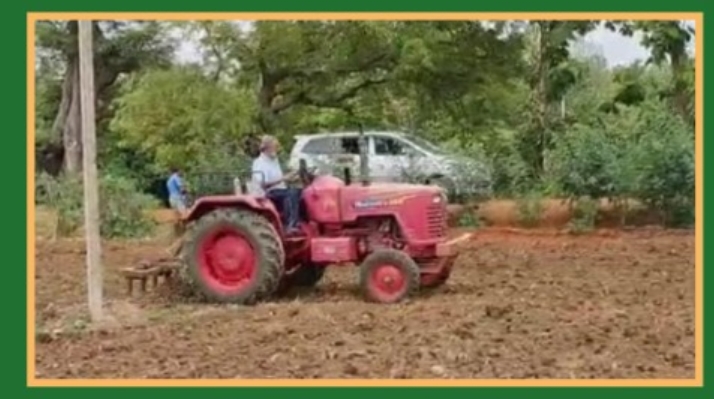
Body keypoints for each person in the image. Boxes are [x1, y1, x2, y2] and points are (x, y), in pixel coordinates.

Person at [252, 135, 302, 233]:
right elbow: (264, 184)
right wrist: (283, 178)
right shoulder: (259, 163)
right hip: (267, 193)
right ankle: (291, 225)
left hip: (279, 190)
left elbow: (279, 179)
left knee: (300, 191)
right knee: (290, 193)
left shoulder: (274, 160)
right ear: (267, 148)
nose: (277, 150)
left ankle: (301, 222)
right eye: (274, 147)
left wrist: (292, 177)